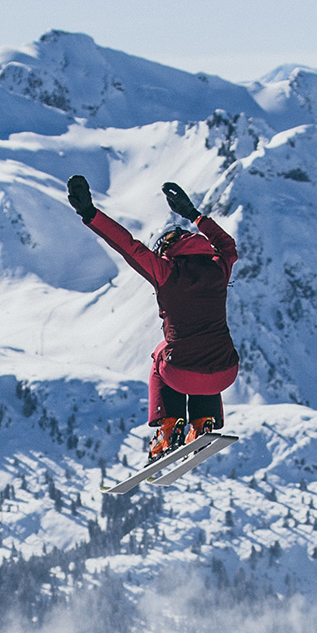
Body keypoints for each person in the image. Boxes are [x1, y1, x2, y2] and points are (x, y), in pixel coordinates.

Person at [67, 175, 239, 459]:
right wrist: (195, 215)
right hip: (226, 373)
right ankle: (203, 422)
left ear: (168, 249)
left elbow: (128, 246)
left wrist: (90, 214)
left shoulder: (166, 272)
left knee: (162, 355)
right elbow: (227, 245)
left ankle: (169, 427)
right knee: (205, 353)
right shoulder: (219, 269)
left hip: (182, 373)